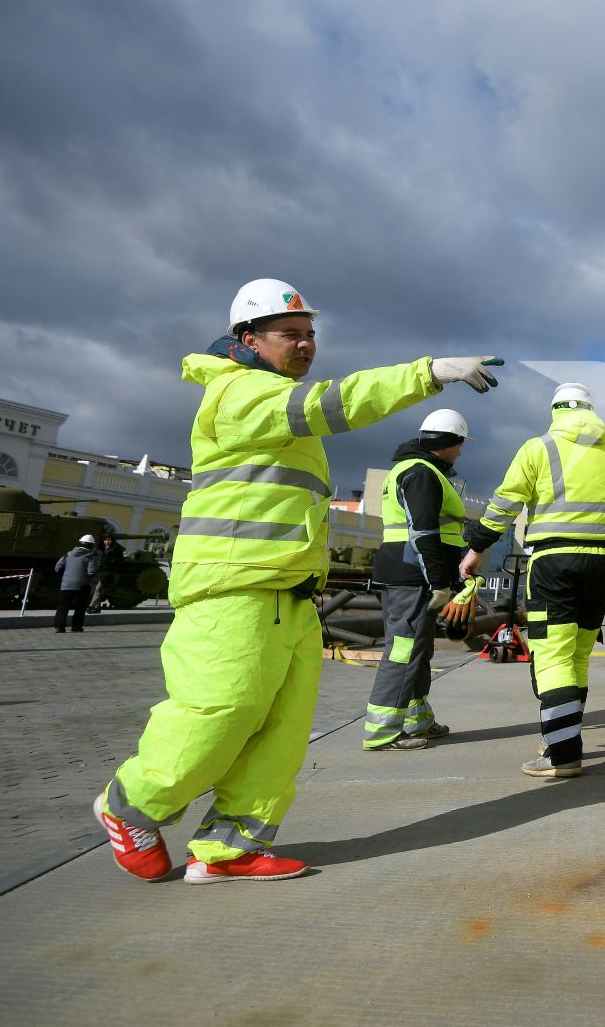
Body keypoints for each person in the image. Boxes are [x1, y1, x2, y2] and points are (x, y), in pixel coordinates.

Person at [95, 277, 500, 884]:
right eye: (291, 334)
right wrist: (428, 372)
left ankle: (229, 848)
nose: (306, 344)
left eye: (311, 334)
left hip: (288, 591)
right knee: (219, 708)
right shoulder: (238, 393)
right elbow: (331, 404)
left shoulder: (272, 402)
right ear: (248, 338)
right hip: (232, 586)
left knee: (282, 729)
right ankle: (129, 806)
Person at [460, 382, 605, 780]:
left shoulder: (538, 447)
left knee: (553, 656)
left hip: (553, 562)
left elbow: (505, 503)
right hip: (600, 564)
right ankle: (564, 738)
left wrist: (476, 549)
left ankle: (561, 754)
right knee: (577, 656)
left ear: (555, 410)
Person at [363, 408, 475, 751]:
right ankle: (382, 732)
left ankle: (416, 720)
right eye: (459, 445)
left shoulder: (408, 468)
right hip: (415, 576)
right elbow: (424, 532)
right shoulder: (422, 473)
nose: (460, 452)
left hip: (406, 573)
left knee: (417, 650)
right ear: (447, 442)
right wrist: (441, 582)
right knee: (403, 650)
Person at [54, 534, 100, 633]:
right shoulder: (90, 556)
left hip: (66, 585)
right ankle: (76, 627)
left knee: (63, 606)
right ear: (91, 545)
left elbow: (57, 567)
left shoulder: (68, 554)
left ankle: (59, 627)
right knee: (80, 607)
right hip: (82, 586)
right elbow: (91, 571)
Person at [90, 533, 126, 611]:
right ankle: (97, 607)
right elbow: (92, 557)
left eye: (109, 540)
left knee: (97, 589)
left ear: (112, 541)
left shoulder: (116, 549)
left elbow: (120, 560)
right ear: (103, 540)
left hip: (107, 572)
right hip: (97, 571)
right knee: (95, 590)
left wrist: (113, 563)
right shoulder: (98, 548)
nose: (107, 542)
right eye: (106, 540)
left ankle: (91, 606)